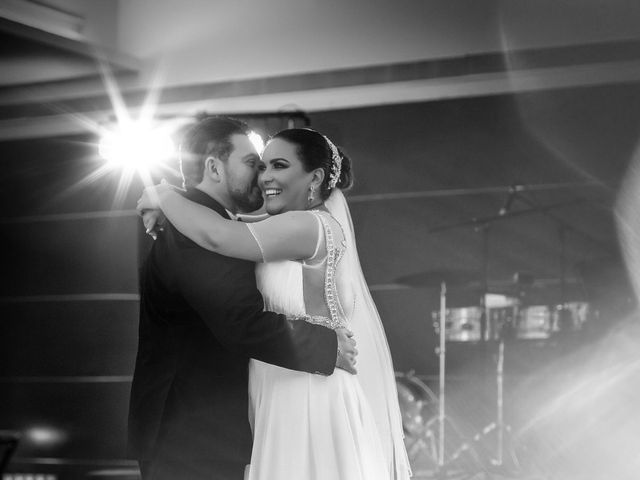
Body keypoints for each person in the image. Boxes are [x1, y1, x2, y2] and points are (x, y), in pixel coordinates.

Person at [138, 127, 412, 479]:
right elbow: (226, 223)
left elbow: (220, 235)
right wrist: (173, 196)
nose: (264, 176)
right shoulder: (273, 225)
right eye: (260, 165)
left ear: (314, 177)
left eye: (277, 166)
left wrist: (161, 194)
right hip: (272, 387)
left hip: (308, 388)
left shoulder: (310, 227)